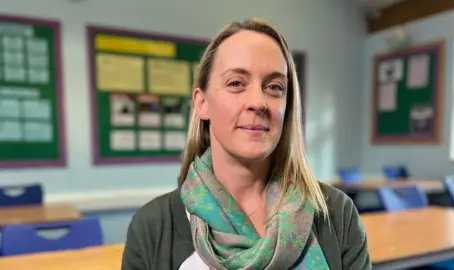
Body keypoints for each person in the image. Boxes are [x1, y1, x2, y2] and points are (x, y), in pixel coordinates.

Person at [122, 18, 371, 270]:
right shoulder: (152, 227)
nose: (258, 102)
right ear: (202, 103)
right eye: (236, 83)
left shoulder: (337, 214)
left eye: (274, 87)